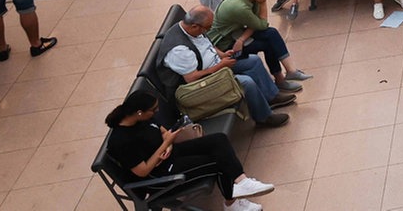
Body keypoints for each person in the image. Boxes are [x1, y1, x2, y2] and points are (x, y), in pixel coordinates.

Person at [102, 89, 275, 211]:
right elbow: (143, 171)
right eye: (153, 110)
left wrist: (168, 144)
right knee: (218, 162)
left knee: (218, 141)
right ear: (139, 112)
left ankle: (242, 182)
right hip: (161, 176)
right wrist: (165, 144)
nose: (157, 112)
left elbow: (162, 131)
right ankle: (232, 205)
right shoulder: (121, 141)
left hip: (169, 155)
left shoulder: (141, 119)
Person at [161, 7, 292, 128]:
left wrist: (222, 55)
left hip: (217, 66)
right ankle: (263, 118)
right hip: (199, 85)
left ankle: (271, 97)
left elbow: (207, 44)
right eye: (208, 27)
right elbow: (191, 78)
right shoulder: (179, 50)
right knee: (246, 82)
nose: (209, 29)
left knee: (254, 61)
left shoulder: (192, 29)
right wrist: (220, 66)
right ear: (195, 26)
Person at [210, 0, 309, 87]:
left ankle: (290, 72)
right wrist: (263, 3)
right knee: (268, 43)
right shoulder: (240, 7)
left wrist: (242, 39)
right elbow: (262, 25)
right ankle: (281, 79)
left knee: (271, 33)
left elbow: (256, 23)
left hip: (235, 34)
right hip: (224, 44)